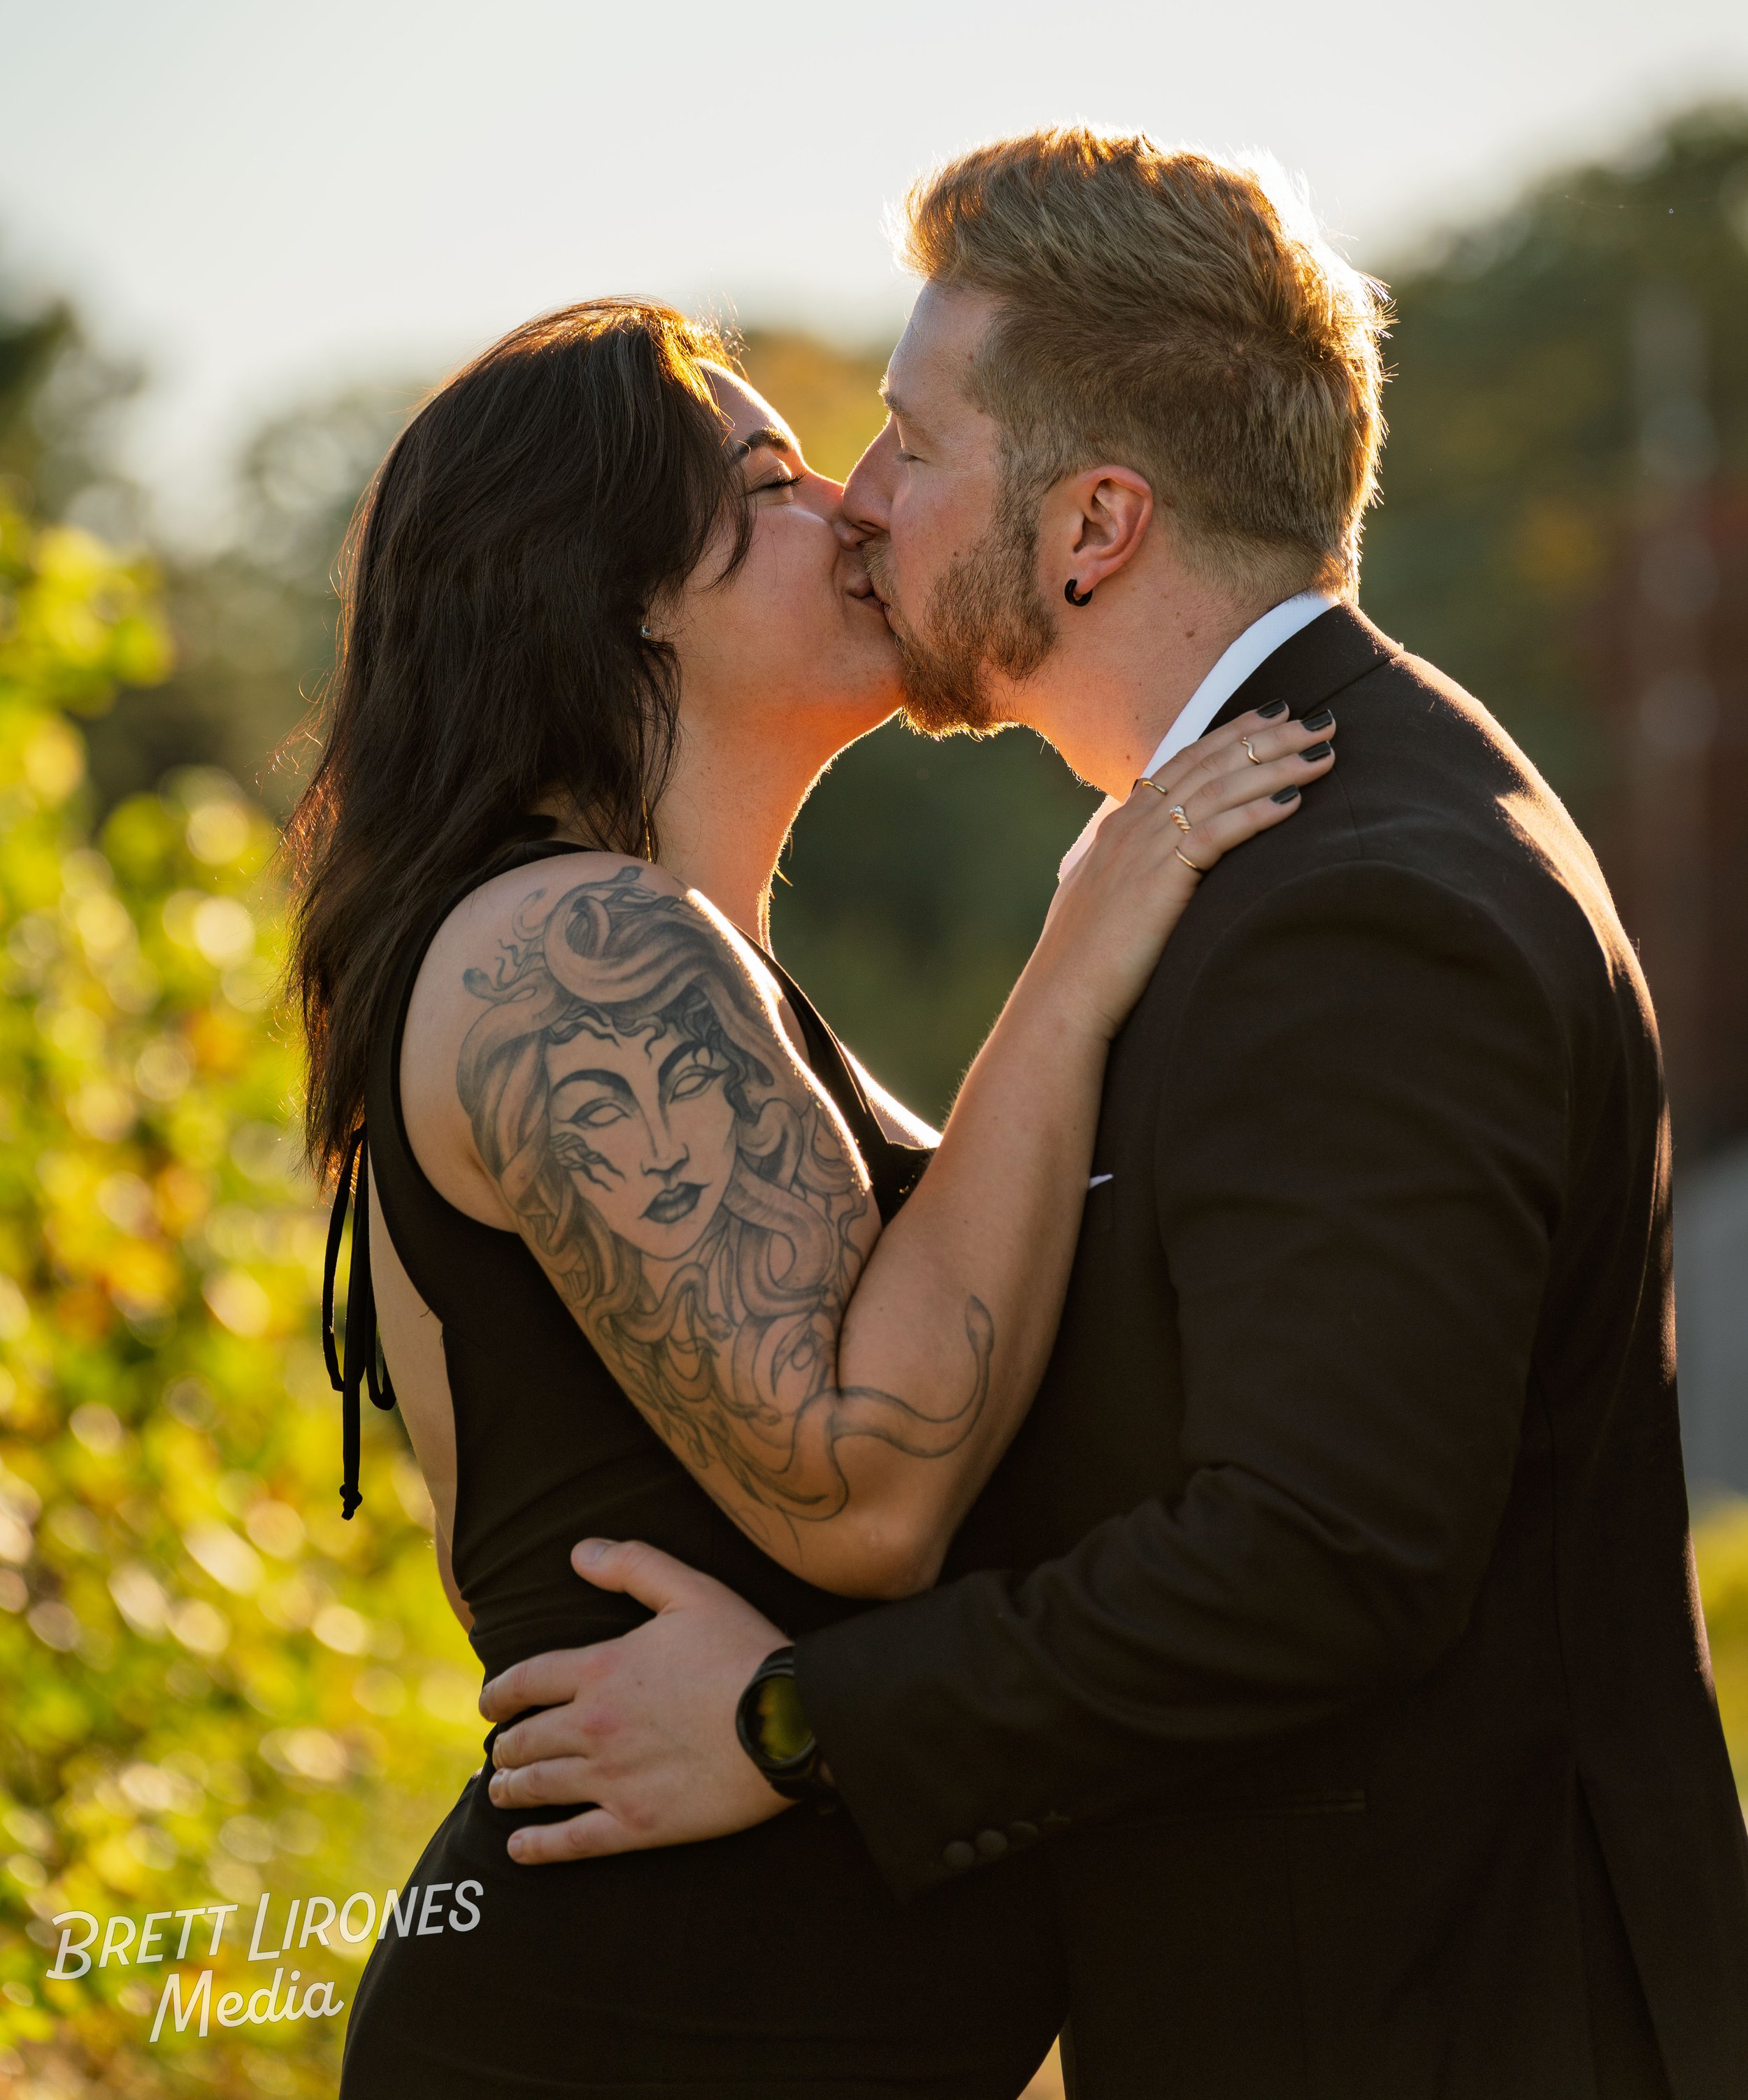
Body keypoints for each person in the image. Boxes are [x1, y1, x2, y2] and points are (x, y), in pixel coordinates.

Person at [480, 132, 1748, 2100]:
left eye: (908, 443)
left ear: (1091, 526)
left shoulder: (1359, 899)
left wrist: (792, 1721)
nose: (855, 503)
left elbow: (1319, 1555)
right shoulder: (1255, 851)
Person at [286, 293, 1332, 2099]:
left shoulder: (673, 954)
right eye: (770, 481)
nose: (852, 507)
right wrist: (1075, 961)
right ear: (607, 584)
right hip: (638, 2030)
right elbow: (859, 1492)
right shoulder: (574, 942)